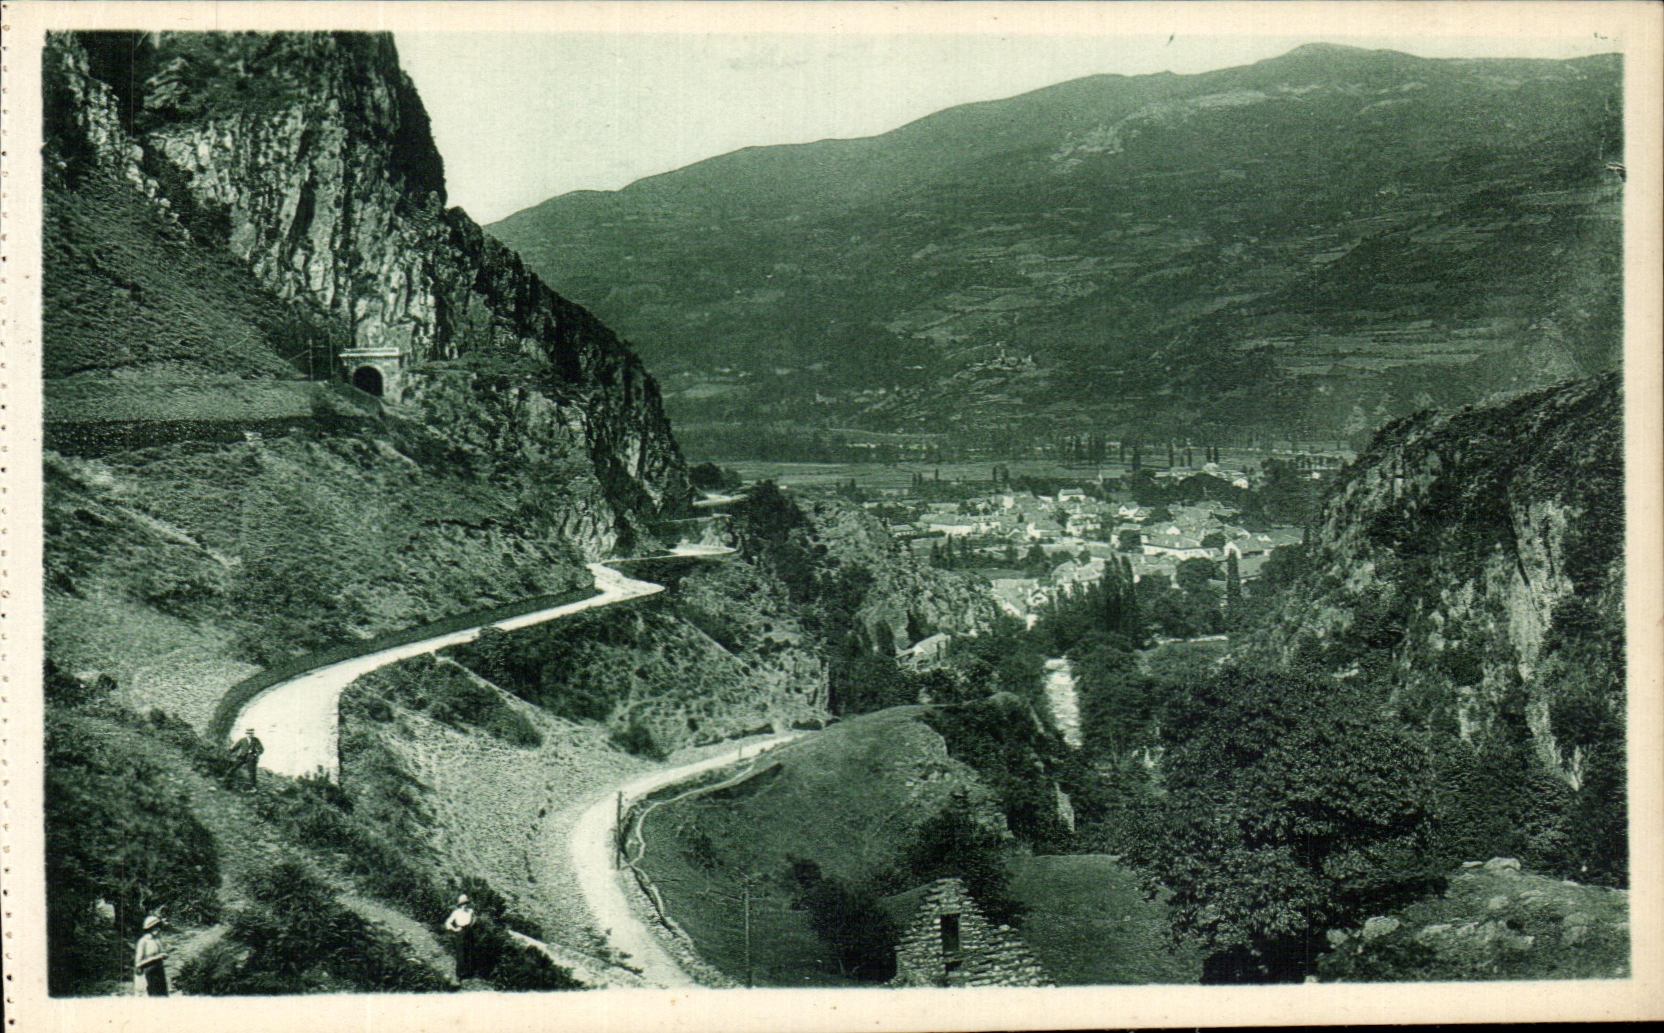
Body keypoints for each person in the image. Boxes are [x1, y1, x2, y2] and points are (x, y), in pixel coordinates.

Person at [444, 894, 477, 980]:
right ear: (460, 904)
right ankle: (459, 975)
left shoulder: (470, 911)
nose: (464, 905)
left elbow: (474, 918)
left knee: (469, 951)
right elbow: (448, 922)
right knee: (460, 952)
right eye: (462, 904)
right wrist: (455, 929)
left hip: (469, 931)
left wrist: (471, 924)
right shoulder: (456, 912)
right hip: (460, 932)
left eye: (466, 903)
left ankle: (468, 973)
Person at [133, 915, 168, 997]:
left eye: (159, 927)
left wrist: (164, 955)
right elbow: (138, 963)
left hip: (159, 972)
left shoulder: (157, 940)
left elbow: (161, 952)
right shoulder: (143, 942)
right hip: (149, 973)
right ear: (149, 928)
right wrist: (156, 958)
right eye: (155, 927)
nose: (158, 930)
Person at [227, 727, 264, 792]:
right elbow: (235, 747)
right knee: (233, 768)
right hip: (242, 757)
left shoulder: (256, 740)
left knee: (252, 772)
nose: (250, 734)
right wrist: (230, 751)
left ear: (253, 734)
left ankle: (253, 787)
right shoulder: (242, 740)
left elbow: (261, 749)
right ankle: (227, 781)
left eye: (251, 733)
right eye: (249, 733)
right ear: (246, 734)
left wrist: (255, 754)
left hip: (251, 758)